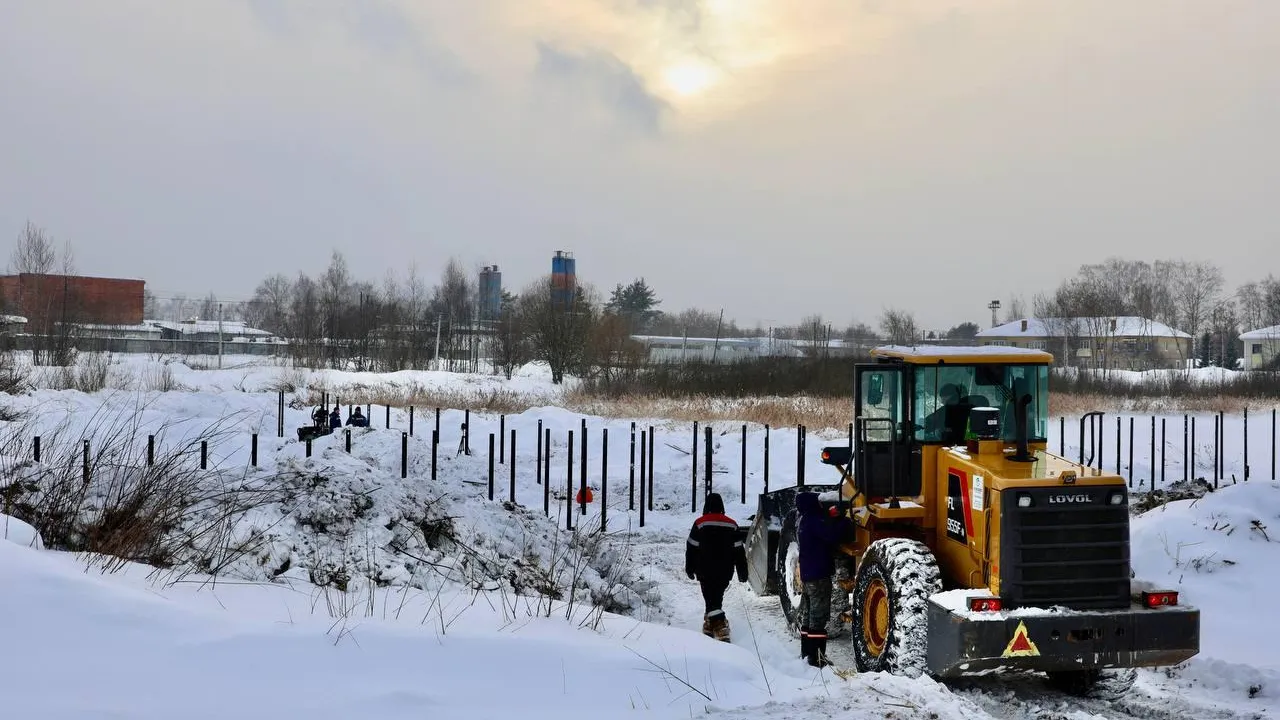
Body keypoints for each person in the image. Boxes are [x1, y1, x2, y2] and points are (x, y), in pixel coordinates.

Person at [685, 492, 748, 642]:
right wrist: (742, 571)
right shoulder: (732, 524)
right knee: (716, 597)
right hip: (725, 569)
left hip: (704, 568)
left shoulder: (700, 523)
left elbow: (691, 547)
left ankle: (720, 625)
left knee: (710, 597)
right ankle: (711, 623)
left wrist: (690, 567)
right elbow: (739, 550)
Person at [796, 491, 840, 667]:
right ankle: (817, 659)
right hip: (819, 577)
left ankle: (806, 653)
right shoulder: (815, 521)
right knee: (818, 619)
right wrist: (843, 521)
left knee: (807, 617)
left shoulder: (804, 521)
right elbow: (832, 535)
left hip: (808, 577)